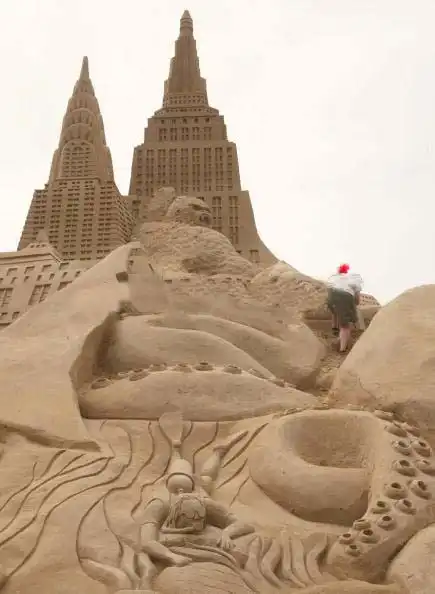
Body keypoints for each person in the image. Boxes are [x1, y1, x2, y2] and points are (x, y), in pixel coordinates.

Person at [326, 264, 362, 353]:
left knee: (335, 311)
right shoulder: (354, 280)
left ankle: (335, 328)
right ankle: (342, 349)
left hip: (331, 295)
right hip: (345, 296)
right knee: (345, 326)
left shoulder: (334, 277)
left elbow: (329, 287)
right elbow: (357, 300)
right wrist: (354, 305)